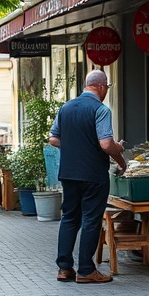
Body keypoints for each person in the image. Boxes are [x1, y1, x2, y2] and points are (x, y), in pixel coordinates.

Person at [49, 69, 127, 284]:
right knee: (91, 219)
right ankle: (86, 270)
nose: (106, 92)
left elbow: (53, 138)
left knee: (69, 218)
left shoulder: (65, 107)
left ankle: (64, 268)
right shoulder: (100, 109)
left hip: (68, 172)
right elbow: (106, 144)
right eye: (106, 88)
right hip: (93, 174)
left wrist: (75, 146)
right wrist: (120, 151)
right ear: (101, 86)